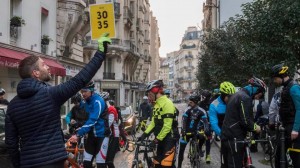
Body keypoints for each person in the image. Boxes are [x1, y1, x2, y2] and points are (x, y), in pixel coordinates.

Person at [4, 33, 111, 168]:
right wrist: (101, 52)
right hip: (53, 162)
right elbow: (81, 79)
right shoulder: (50, 94)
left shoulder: (12, 106)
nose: (48, 67)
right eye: (43, 65)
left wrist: (19, 164)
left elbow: (11, 143)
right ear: (36, 73)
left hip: (28, 163)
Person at [221, 77, 265, 168]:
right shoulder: (244, 97)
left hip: (227, 135)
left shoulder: (237, 95)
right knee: (234, 165)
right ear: (256, 90)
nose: (259, 97)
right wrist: (255, 128)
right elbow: (245, 120)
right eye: (261, 94)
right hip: (234, 138)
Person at [138, 80, 179, 168]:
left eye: (149, 94)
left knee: (166, 165)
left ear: (155, 91)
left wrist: (156, 140)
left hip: (169, 139)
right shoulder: (156, 104)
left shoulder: (167, 103)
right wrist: (144, 135)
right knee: (156, 164)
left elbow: (167, 126)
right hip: (161, 140)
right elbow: (153, 122)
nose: (149, 97)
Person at [69, 82, 108, 168]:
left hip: (101, 136)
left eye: (85, 91)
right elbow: (85, 119)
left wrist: (79, 134)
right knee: (86, 163)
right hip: (91, 136)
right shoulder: (86, 102)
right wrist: (78, 126)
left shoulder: (98, 101)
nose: (83, 94)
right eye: (81, 91)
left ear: (91, 91)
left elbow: (92, 120)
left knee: (100, 164)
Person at [271, 64, 300, 167]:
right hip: (286, 128)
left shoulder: (294, 88)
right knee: (279, 157)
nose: (274, 81)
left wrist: (296, 129)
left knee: (295, 159)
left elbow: (299, 109)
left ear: (282, 76)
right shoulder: (285, 87)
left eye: (275, 78)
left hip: (293, 129)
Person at [177, 95, 209, 168]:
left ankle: (199, 149)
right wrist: (183, 130)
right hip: (186, 132)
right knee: (181, 150)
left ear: (195, 102)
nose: (189, 103)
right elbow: (183, 120)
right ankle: (179, 166)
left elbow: (205, 122)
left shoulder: (201, 111)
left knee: (203, 136)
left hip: (195, 132)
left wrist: (206, 130)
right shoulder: (187, 110)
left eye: (191, 102)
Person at [209, 82, 236, 160]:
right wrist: (221, 134)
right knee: (226, 158)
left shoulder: (234, 101)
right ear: (223, 95)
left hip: (235, 133)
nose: (231, 98)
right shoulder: (214, 105)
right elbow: (213, 122)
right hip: (224, 133)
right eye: (229, 96)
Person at [198, 89, 213, 164]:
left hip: (209, 124)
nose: (202, 98)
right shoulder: (200, 104)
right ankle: (199, 148)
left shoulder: (211, 104)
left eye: (204, 96)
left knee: (208, 140)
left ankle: (208, 155)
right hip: (201, 123)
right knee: (202, 138)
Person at [106, 99, 120, 168]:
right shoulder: (107, 109)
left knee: (109, 161)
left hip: (114, 136)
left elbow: (108, 123)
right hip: (109, 136)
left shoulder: (111, 109)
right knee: (105, 160)